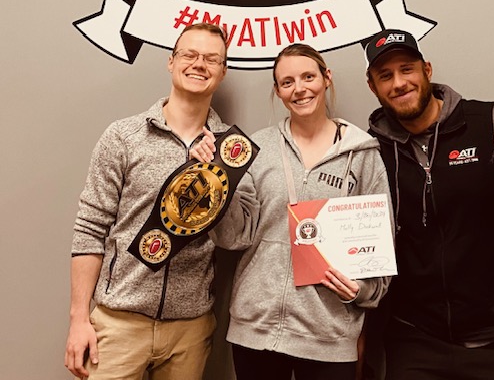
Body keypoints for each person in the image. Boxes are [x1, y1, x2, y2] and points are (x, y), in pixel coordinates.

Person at [363, 28, 494, 380]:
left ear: (427, 70)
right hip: (417, 340)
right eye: (385, 75)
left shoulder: (490, 122)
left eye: (407, 69)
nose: (399, 83)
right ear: (372, 86)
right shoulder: (369, 150)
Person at [191, 43, 393, 380]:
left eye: (308, 77)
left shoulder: (362, 156)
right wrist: (215, 181)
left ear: (326, 78)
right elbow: (234, 237)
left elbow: (379, 246)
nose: (299, 89)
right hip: (256, 331)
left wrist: (364, 290)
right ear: (278, 91)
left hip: (329, 335)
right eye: (287, 82)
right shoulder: (257, 149)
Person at [64, 23, 230, 380]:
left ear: (222, 71)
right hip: (119, 323)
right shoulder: (123, 136)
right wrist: (78, 319)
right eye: (189, 54)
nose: (199, 64)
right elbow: (90, 228)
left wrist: (214, 178)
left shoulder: (231, 151)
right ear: (171, 61)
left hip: (190, 328)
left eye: (211, 59)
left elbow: (235, 237)